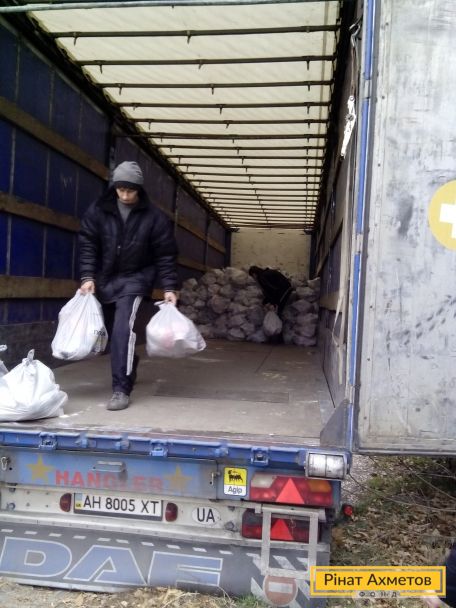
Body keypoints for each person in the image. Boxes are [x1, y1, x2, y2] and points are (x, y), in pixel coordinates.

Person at [78, 160, 179, 411]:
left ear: (139, 189)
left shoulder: (154, 217)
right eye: (120, 189)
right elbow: (88, 244)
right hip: (105, 279)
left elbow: (165, 254)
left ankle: (121, 389)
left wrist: (169, 287)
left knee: (123, 329)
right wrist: (87, 277)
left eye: (130, 190)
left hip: (136, 278)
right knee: (110, 332)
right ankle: (129, 363)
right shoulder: (98, 210)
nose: (124, 195)